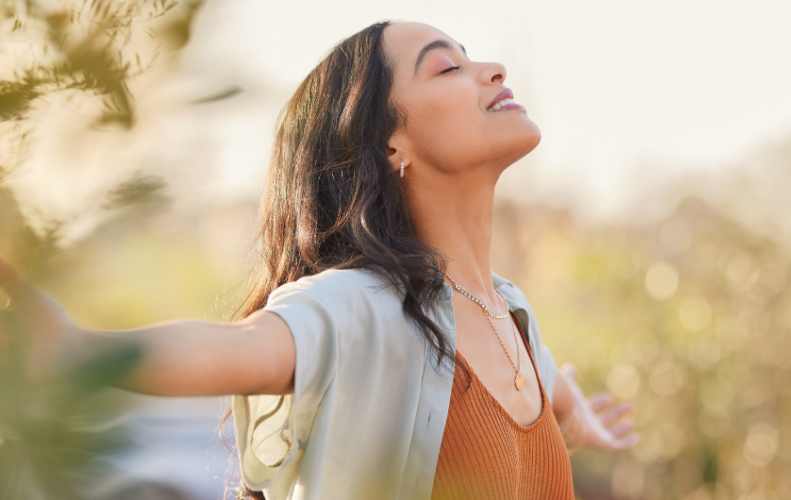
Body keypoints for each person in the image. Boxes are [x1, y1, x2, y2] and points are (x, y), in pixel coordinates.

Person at [0, 20, 638, 500]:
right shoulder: (363, 305)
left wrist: (574, 416)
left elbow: (546, 389)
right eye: (447, 69)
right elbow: (245, 349)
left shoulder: (513, 313)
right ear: (391, 142)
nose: (494, 69)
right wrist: (79, 351)